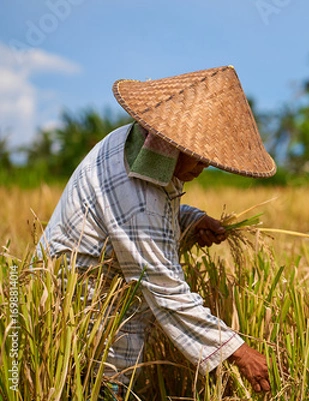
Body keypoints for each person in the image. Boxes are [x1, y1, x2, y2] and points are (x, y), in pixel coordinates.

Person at [37, 66, 275, 395]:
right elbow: (166, 289)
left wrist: (190, 220)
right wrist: (238, 351)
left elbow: (139, 218)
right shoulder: (137, 194)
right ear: (171, 144)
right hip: (77, 302)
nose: (201, 170)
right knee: (89, 384)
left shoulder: (139, 145)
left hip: (98, 294)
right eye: (198, 159)